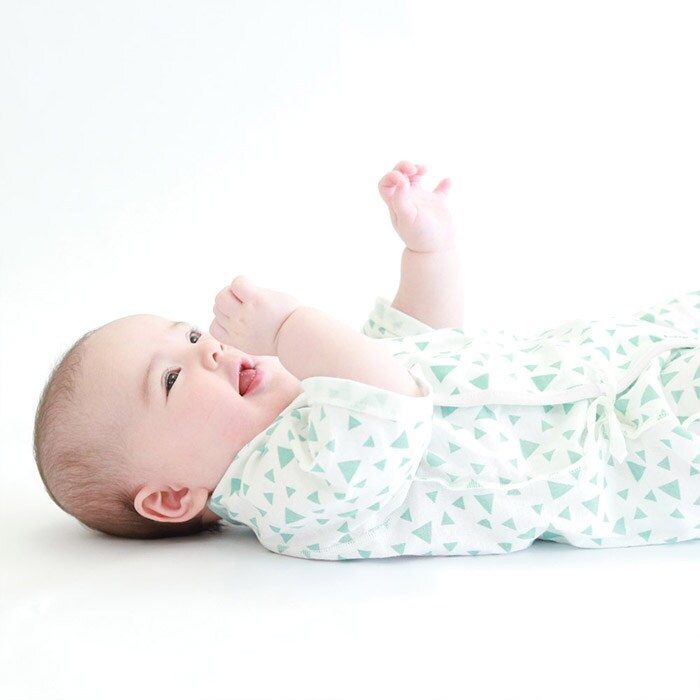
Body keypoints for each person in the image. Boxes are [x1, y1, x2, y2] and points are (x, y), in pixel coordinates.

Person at [34, 161, 700, 559]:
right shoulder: (291, 496)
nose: (208, 347)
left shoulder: (319, 391)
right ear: (173, 497)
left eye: (187, 336)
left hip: (619, 359)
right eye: (173, 377)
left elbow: (419, 339)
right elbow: (392, 401)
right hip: (639, 455)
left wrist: (427, 251)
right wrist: (286, 325)